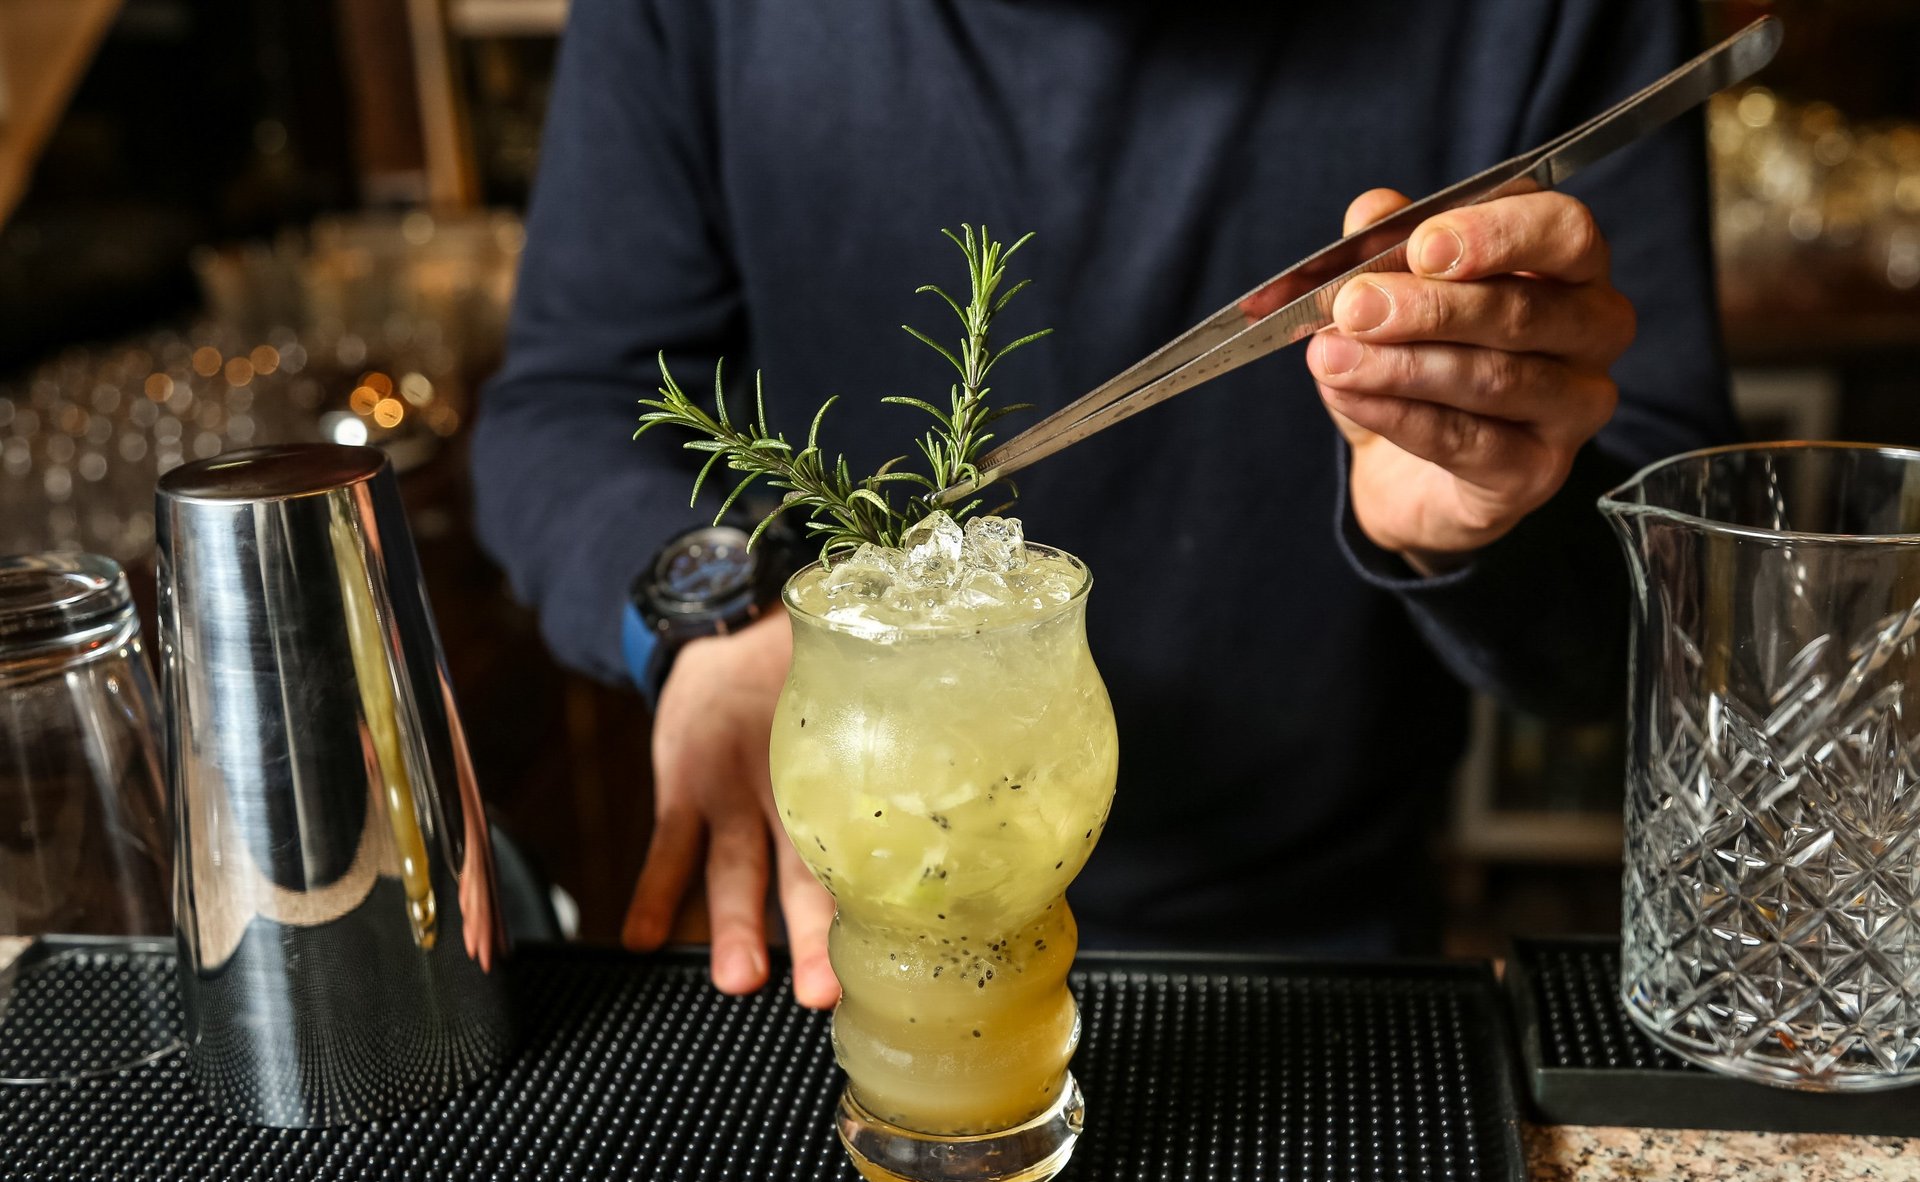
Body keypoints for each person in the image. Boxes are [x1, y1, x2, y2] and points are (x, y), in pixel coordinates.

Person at [472, 0, 1737, 1010]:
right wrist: (716, 614)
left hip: (1320, 956)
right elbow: (565, 404)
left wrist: (1483, 511)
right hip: (847, 917)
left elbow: (1661, 618)